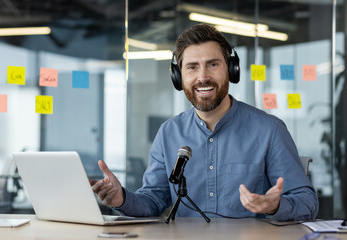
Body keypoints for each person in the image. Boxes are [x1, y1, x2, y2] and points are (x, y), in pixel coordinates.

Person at [90, 23, 319, 221]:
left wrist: (275, 206)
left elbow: (307, 202)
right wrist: (121, 199)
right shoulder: (168, 133)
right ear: (178, 77)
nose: (202, 77)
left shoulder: (270, 131)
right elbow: (153, 201)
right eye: (192, 67)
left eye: (213, 64)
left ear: (231, 70)